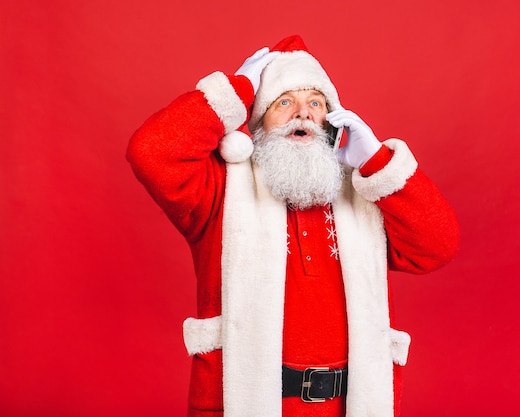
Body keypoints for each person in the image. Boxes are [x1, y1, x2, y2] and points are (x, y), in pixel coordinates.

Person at [127, 35, 460, 417]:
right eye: (284, 103)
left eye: (315, 103)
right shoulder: (219, 189)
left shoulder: (364, 192)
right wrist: (235, 91)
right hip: (237, 403)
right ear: (258, 121)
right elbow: (150, 152)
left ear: (332, 122)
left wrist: (377, 162)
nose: (302, 114)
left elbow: (438, 245)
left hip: (349, 406)